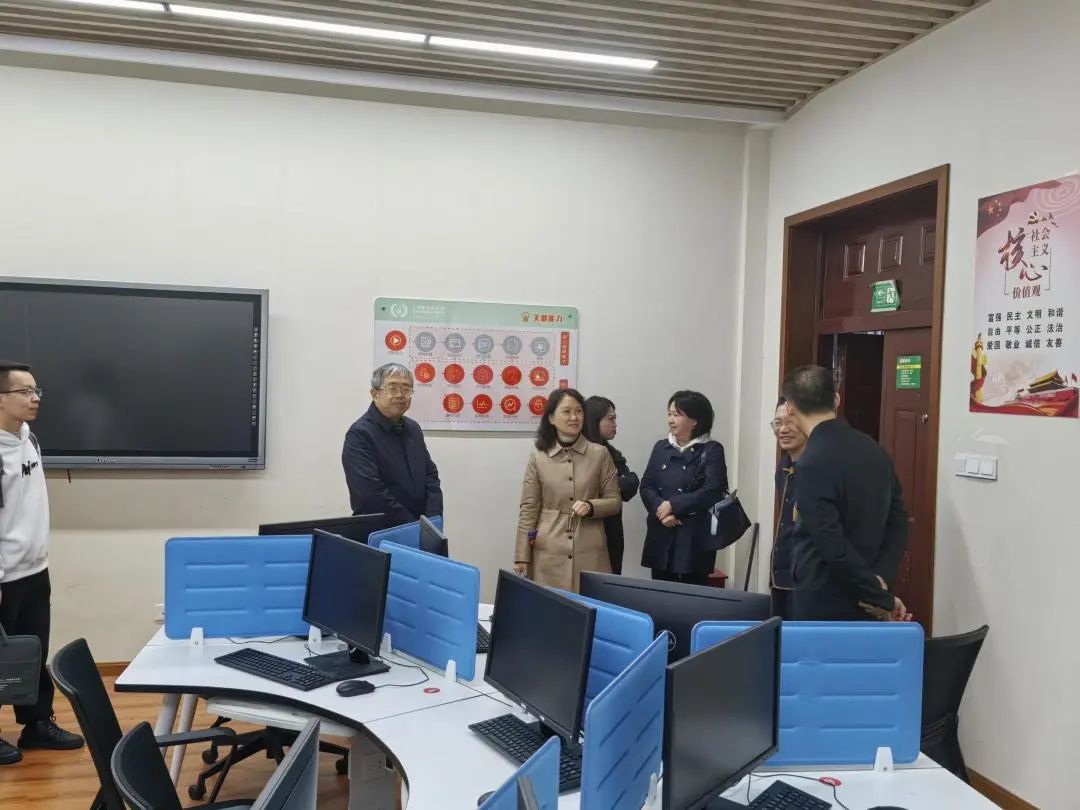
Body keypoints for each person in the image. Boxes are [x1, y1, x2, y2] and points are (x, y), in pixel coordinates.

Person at [0, 360, 85, 766]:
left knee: (33, 650)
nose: (35, 398)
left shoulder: (28, 438)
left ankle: (36, 724)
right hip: (4, 575)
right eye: (25, 391)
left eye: (36, 390)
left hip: (34, 569)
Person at [781, 365, 910, 622]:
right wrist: (880, 583)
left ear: (790, 409)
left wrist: (877, 595)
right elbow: (898, 521)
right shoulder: (874, 449)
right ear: (837, 400)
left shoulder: (810, 463)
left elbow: (831, 545)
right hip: (870, 600)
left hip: (824, 602)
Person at [514, 389, 621, 592]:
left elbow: (614, 501)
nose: (574, 417)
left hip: (590, 550)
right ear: (551, 418)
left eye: (579, 411)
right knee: (550, 606)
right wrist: (522, 556)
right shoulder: (539, 457)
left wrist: (591, 506)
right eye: (567, 411)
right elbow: (528, 509)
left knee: (590, 606)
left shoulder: (600, 454)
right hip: (548, 551)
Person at [640, 390, 729, 586]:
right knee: (660, 592)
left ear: (695, 420)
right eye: (669, 414)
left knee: (692, 594)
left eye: (677, 414)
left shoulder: (712, 449)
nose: (671, 420)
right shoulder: (661, 447)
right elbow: (646, 485)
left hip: (693, 538)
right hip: (661, 532)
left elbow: (713, 490)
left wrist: (673, 505)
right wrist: (660, 510)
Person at [342, 363, 443, 525]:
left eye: (406, 389)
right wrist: (412, 526)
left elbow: (430, 476)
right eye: (393, 389)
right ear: (375, 394)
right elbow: (370, 495)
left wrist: (432, 520)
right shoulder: (360, 434)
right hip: (381, 530)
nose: (400, 395)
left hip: (422, 526)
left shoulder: (413, 429)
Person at [583, 396, 638, 575]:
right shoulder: (580, 452)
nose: (615, 424)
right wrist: (613, 486)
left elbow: (630, 484)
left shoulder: (611, 452)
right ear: (594, 420)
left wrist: (611, 487)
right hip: (587, 529)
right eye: (610, 419)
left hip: (612, 529)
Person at [770, 397, 807, 620]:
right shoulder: (784, 465)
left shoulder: (820, 468)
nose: (782, 430)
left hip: (807, 578)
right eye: (777, 423)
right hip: (781, 572)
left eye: (790, 422)